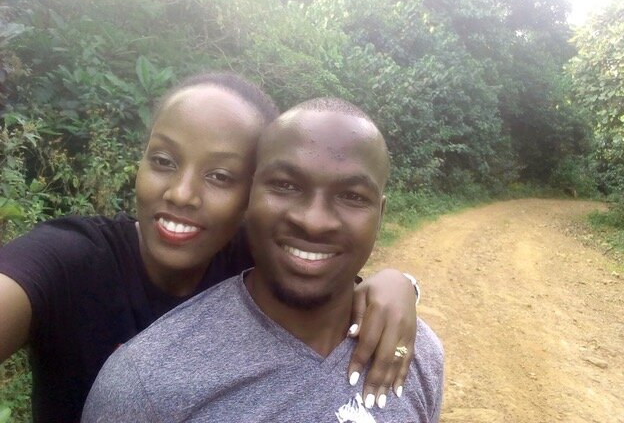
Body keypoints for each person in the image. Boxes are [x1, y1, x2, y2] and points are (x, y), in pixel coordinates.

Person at [0, 74, 420, 422]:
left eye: (220, 176)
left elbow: (329, 273)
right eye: (163, 161)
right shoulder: (69, 258)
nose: (181, 194)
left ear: (253, 195)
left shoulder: (252, 257)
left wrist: (400, 284)